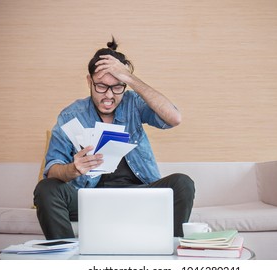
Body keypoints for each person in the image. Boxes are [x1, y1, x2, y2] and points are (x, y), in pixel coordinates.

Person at [33, 37, 195, 240]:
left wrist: (130, 78)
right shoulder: (71, 115)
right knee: (46, 189)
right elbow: (53, 168)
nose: (109, 96)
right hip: (90, 199)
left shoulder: (133, 104)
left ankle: (170, 251)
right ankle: (65, 258)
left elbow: (174, 118)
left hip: (139, 197)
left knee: (182, 183)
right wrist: (73, 169)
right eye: (101, 86)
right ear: (89, 81)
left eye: (117, 87)